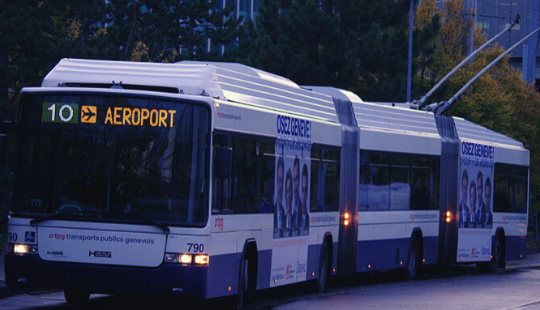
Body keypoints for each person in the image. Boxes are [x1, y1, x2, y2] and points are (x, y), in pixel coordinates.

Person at [274, 157, 285, 233]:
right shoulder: (272, 209)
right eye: (279, 180)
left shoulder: (286, 214)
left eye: (283, 180)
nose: (281, 186)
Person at [297, 164, 310, 232]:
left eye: (306, 190)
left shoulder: (309, 218)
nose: (304, 195)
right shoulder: (295, 218)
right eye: (302, 190)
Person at [283, 169, 293, 237]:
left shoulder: (296, 216)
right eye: (287, 191)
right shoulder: (282, 217)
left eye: (290, 190)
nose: (288, 195)